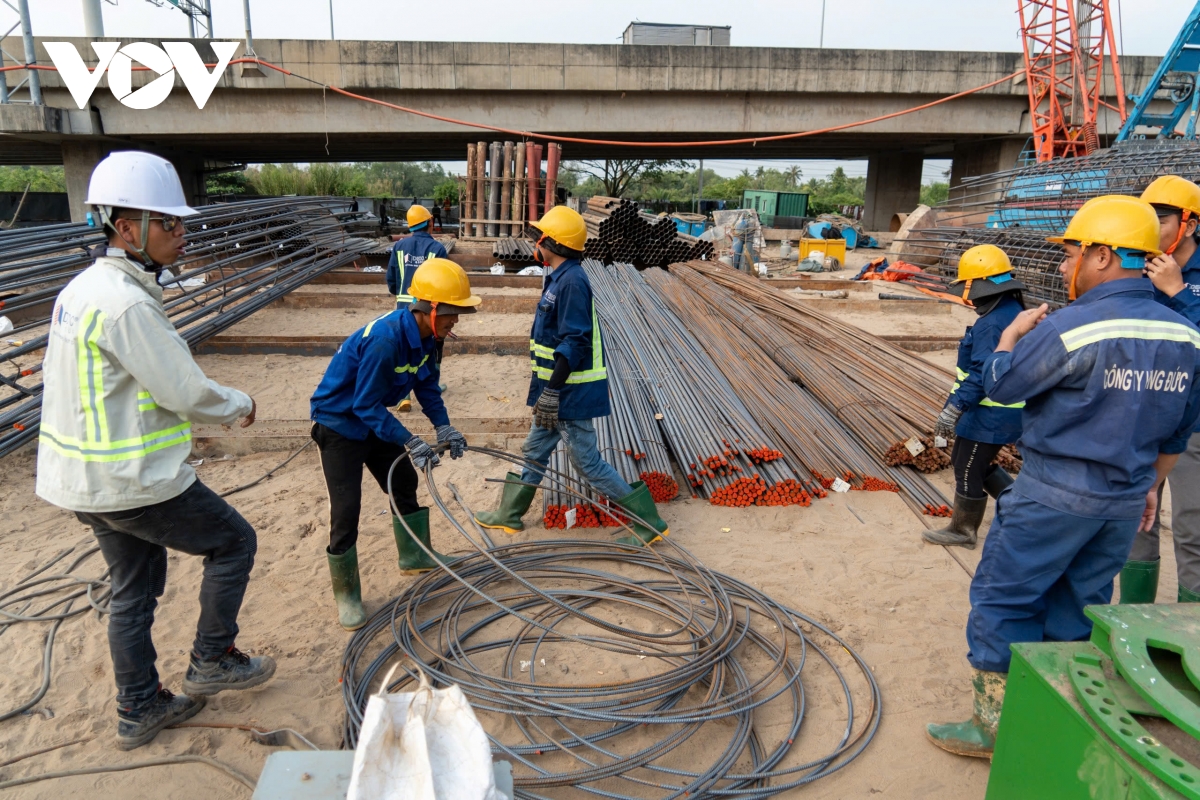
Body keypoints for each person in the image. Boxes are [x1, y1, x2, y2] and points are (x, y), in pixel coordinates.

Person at [927, 195, 1200, 759]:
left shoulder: (1075, 326)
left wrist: (1010, 338)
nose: (1061, 264)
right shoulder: (1186, 336)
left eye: (1070, 251)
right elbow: (1176, 434)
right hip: (1122, 505)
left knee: (1005, 600)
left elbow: (1002, 386)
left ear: (1103, 255)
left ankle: (996, 727)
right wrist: (1149, 487)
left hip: (1054, 495)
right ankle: (1052, 718)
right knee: (1076, 606)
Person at [36, 151, 274, 750]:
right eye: (170, 224)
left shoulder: (86, 288)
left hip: (83, 477)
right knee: (234, 541)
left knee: (133, 591)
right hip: (131, 480)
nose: (181, 233)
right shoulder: (127, 303)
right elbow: (185, 390)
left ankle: (139, 708)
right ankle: (212, 659)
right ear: (125, 228)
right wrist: (239, 402)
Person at [472, 206, 669, 547]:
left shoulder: (573, 282)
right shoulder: (559, 277)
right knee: (534, 450)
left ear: (553, 243)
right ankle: (510, 513)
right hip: (556, 390)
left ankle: (648, 522)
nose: (535, 242)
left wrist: (552, 392)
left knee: (587, 464)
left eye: (540, 237)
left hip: (568, 395)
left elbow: (575, 341)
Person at [310, 258, 477, 630]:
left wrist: (444, 428)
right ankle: (348, 595)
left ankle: (415, 555)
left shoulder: (430, 339)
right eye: (453, 312)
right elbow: (364, 404)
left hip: (369, 418)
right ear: (430, 309)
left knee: (402, 482)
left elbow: (427, 387)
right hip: (339, 423)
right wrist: (409, 438)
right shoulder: (386, 340)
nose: (457, 321)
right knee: (347, 508)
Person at [1120, 175, 1200, 603]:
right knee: (1135, 523)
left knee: (1193, 530)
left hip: (1195, 426)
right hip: (1142, 417)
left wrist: (1179, 292)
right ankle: (1133, 621)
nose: (1152, 227)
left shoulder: (1177, 279)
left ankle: (1192, 641)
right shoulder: (1136, 267)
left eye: (1162, 217)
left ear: (1188, 224)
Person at [925, 245, 1026, 549]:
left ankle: (964, 531)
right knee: (966, 460)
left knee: (967, 466)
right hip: (994, 410)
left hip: (990, 412)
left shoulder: (994, 322)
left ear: (976, 285)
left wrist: (955, 408)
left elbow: (983, 371)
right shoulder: (1009, 311)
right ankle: (1020, 512)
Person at [388, 204, 449, 413]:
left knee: (403, 348)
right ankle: (431, 387)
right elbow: (444, 283)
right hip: (428, 309)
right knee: (431, 348)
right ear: (430, 223)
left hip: (403, 308)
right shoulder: (437, 249)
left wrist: (401, 295)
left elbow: (392, 281)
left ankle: (403, 396)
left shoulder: (398, 247)